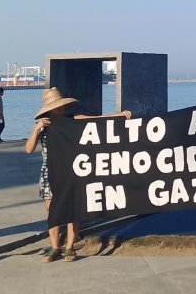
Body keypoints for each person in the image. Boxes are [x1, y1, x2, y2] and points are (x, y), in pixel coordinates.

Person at [25, 88, 131, 263]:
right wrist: (37, 129)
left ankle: (69, 247)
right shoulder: (44, 126)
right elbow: (28, 149)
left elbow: (94, 120)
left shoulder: (72, 120)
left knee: (72, 210)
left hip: (70, 171)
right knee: (52, 211)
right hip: (48, 172)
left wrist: (118, 116)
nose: (60, 111)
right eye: (57, 108)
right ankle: (55, 246)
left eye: (61, 107)